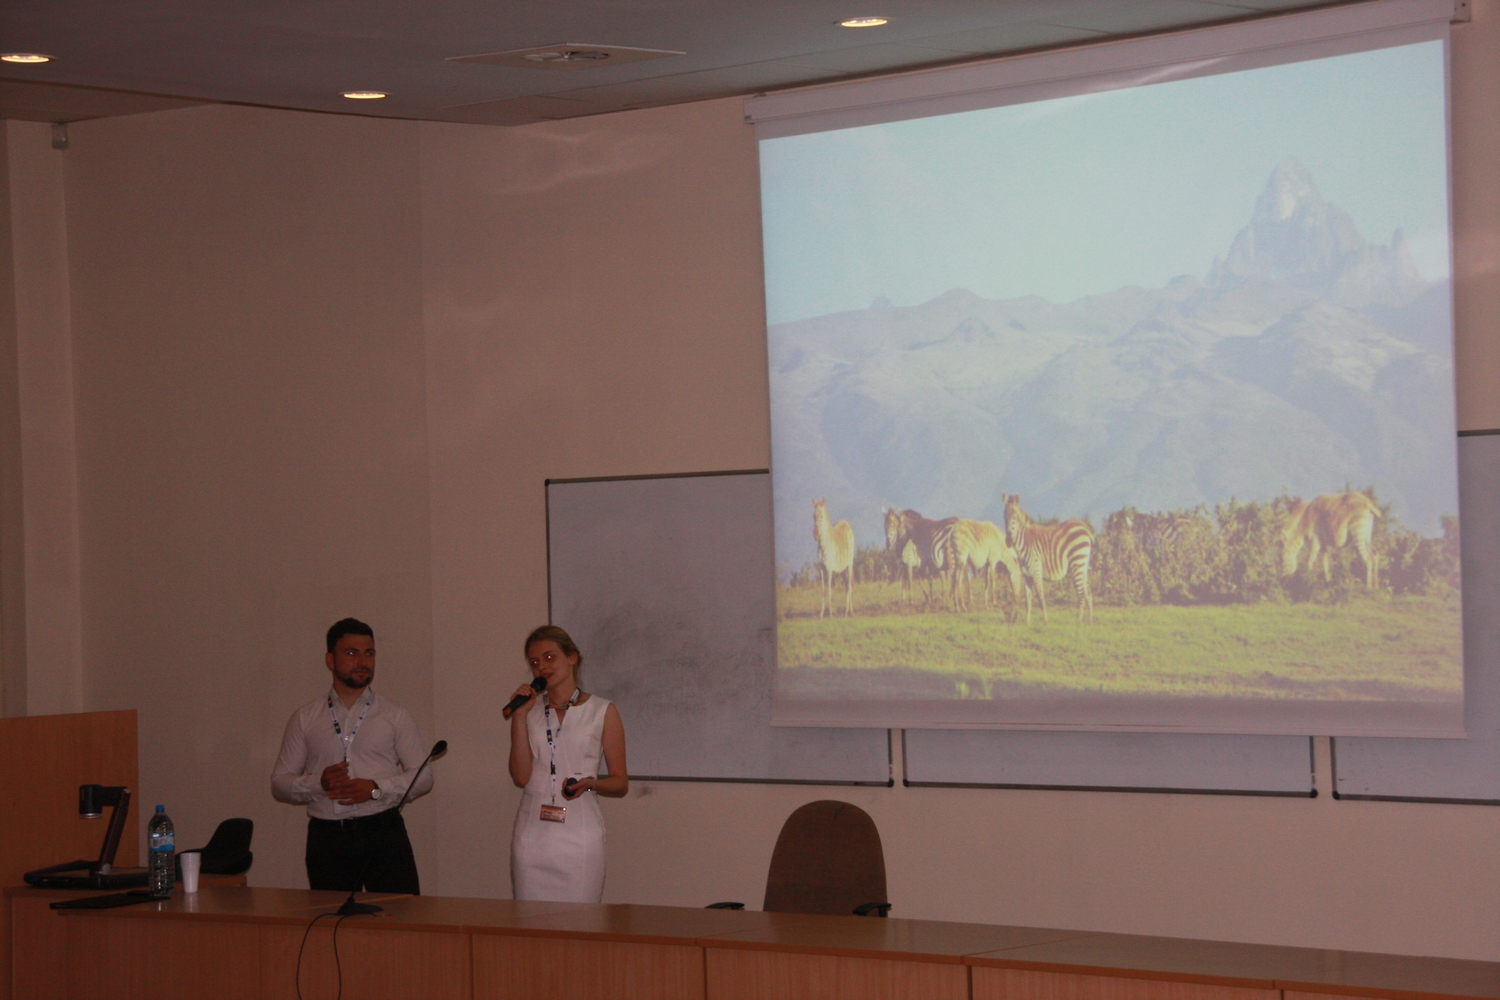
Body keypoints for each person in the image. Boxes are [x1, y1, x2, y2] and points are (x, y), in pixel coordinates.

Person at [272, 618, 433, 894]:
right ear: (330, 660)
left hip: (383, 830)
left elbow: (424, 776)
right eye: (351, 652)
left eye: (369, 653)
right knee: (332, 915)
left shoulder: (395, 715)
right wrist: (318, 783)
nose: (362, 661)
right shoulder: (305, 718)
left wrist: (376, 788)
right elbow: (279, 783)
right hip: (327, 836)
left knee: (402, 914)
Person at [507, 624, 628, 902]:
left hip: (579, 835)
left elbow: (620, 783)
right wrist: (519, 716)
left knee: (580, 921)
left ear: (572, 657)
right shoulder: (530, 713)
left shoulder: (602, 710)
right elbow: (520, 777)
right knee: (529, 921)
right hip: (532, 835)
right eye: (534, 662)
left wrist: (591, 783)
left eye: (549, 657)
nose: (542, 667)